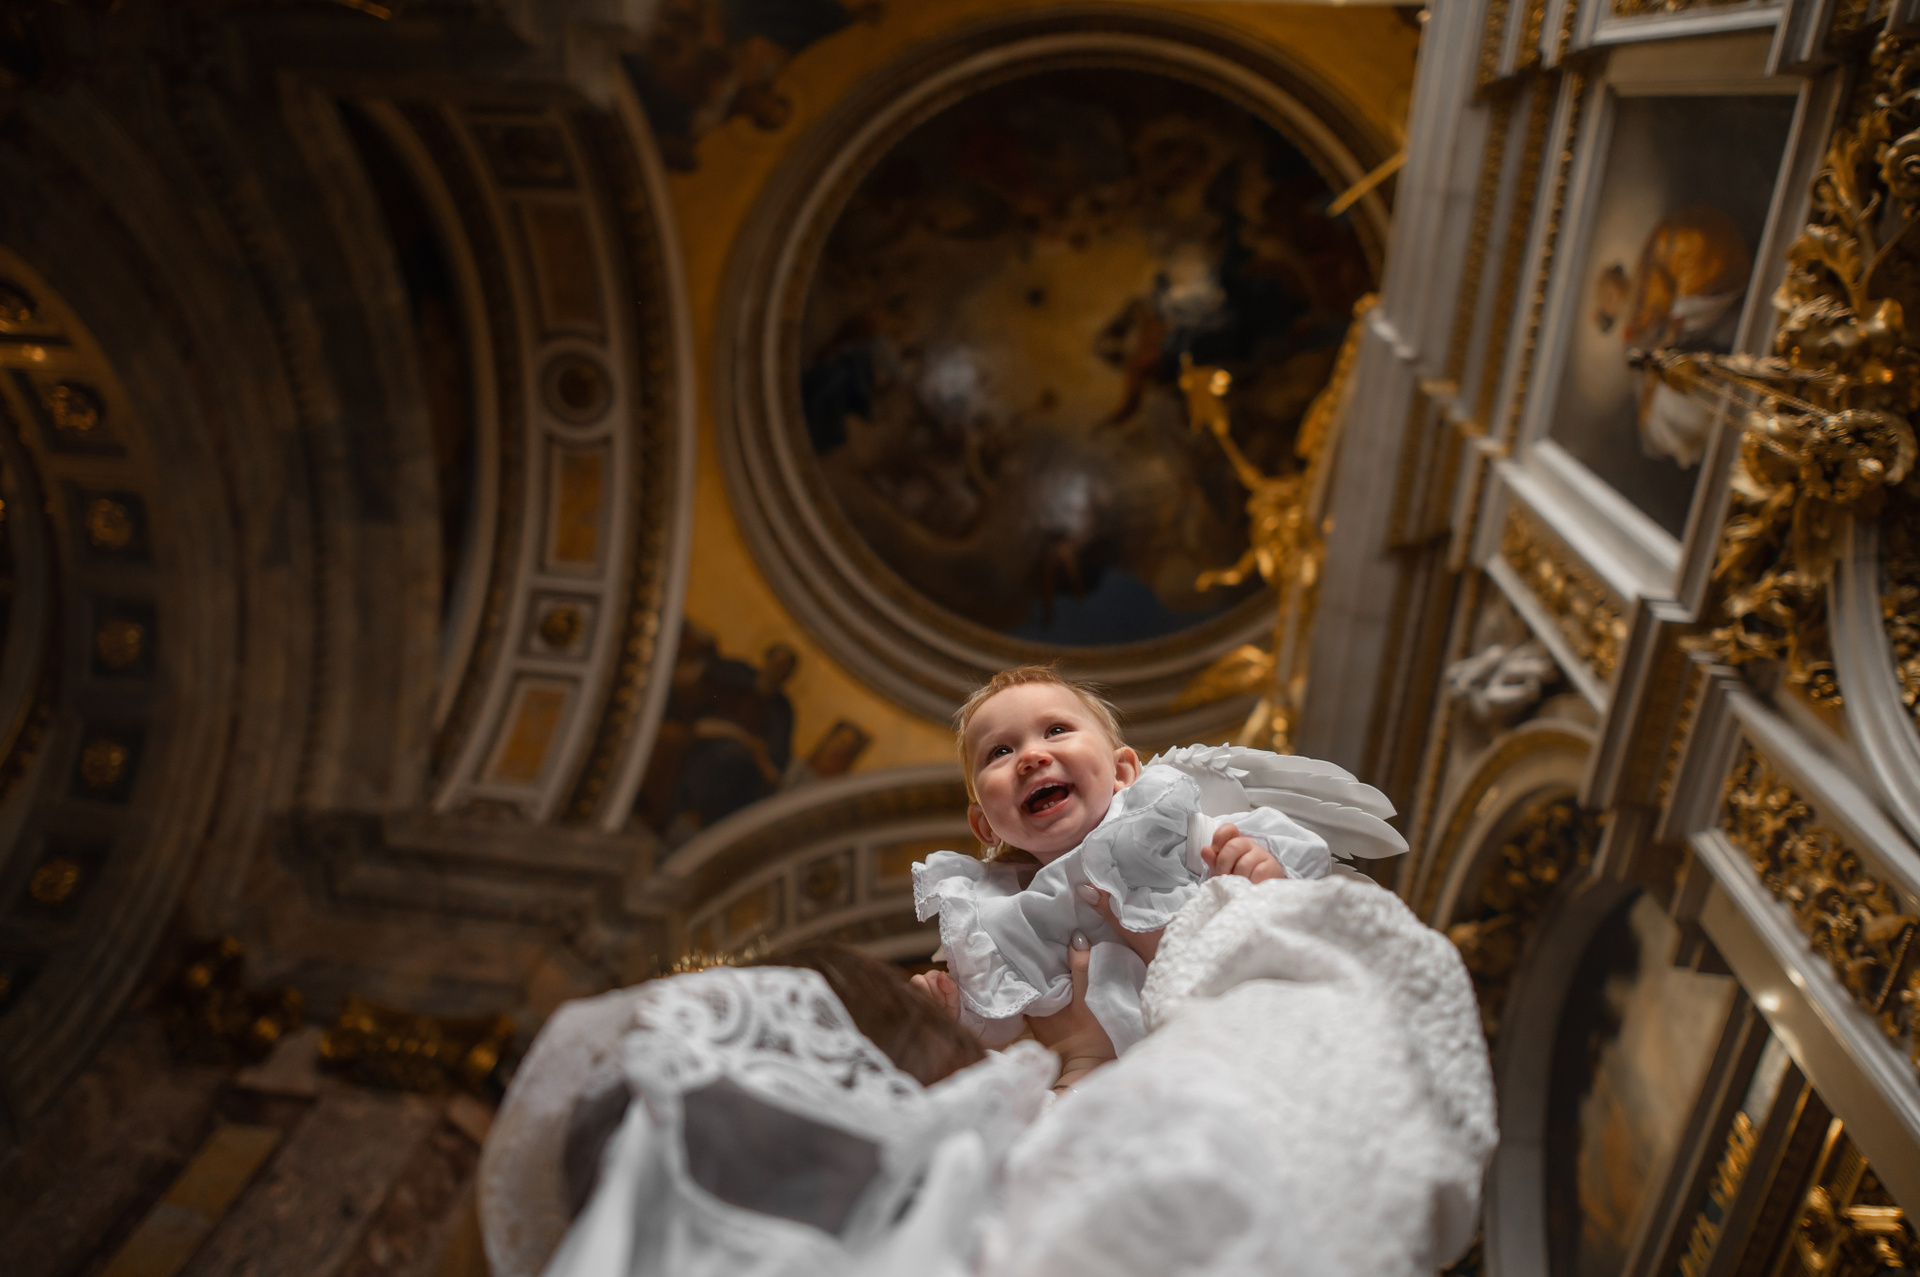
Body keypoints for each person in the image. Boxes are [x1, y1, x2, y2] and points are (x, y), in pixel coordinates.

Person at [909, 664, 1406, 1070]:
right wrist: (950, 1013)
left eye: (1056, 730)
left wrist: (1264, 875)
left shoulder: (1170, 831)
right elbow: (1003, 1021)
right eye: (1000, 751)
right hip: (1140, 1086)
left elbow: (1300, 887)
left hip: (1242, 1034)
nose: (1032, 756)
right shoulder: (1000, 917)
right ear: (985, 826)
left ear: (1123, 771)